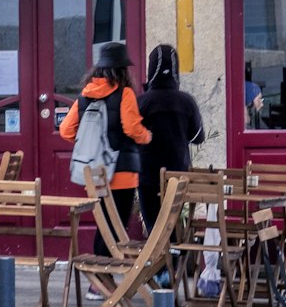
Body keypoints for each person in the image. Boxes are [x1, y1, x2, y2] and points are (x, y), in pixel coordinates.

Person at [58, 41, 151, 285]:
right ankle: (102, 278)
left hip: (96, 173)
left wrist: (91, 141)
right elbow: (131, 128)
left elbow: (66, 131)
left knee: (104, 223)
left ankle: (98, 280)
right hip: (122, 171)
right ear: (123, 70)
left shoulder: (86, 95)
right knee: (116, 224)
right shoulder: (125, 93)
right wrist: (147, 136)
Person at [137, 43, 204, 230]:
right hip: (178, 173)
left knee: (154, 227)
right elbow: (198, 137)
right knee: (172, 226)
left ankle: (158, 257)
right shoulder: (187, 101)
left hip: (147, 173)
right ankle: (175, 255)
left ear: (151, 71)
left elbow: (131, 135)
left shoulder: (141, 102)